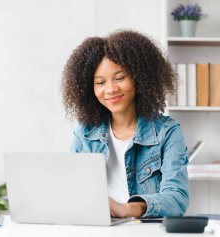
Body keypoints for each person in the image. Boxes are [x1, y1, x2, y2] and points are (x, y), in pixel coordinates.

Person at [61, 30, 189, 218]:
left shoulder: (167, 131)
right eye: (100, 82)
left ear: (140, 78)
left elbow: (177, 199)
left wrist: (126, 210)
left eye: (120, 78)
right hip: (99, 228)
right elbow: (73, 190)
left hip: (146, 231)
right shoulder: (84, 133)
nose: (111, 89)